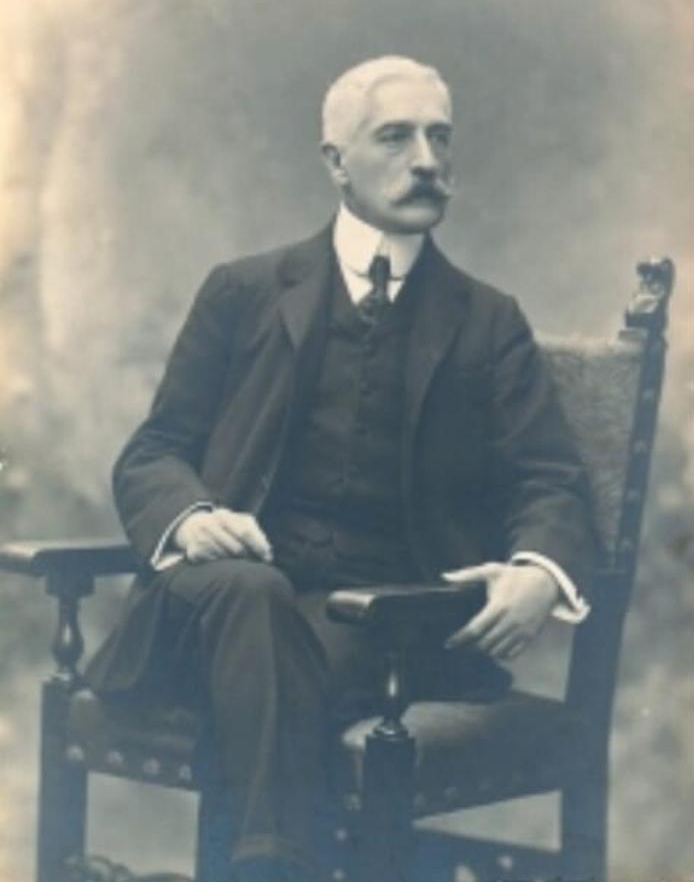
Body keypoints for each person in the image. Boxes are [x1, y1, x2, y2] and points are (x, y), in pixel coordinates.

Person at [86, 56, 597, 882]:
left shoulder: (487, 320)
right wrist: (192, 516)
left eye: (440, 137)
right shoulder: (244, 291)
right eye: (395, 137)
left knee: (274, 658)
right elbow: (153, 451)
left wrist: (539, 569)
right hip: (219, 608)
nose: (427, 160)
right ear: (335, 161)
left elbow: (551, 478)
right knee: (253, 596)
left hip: (382, 627)